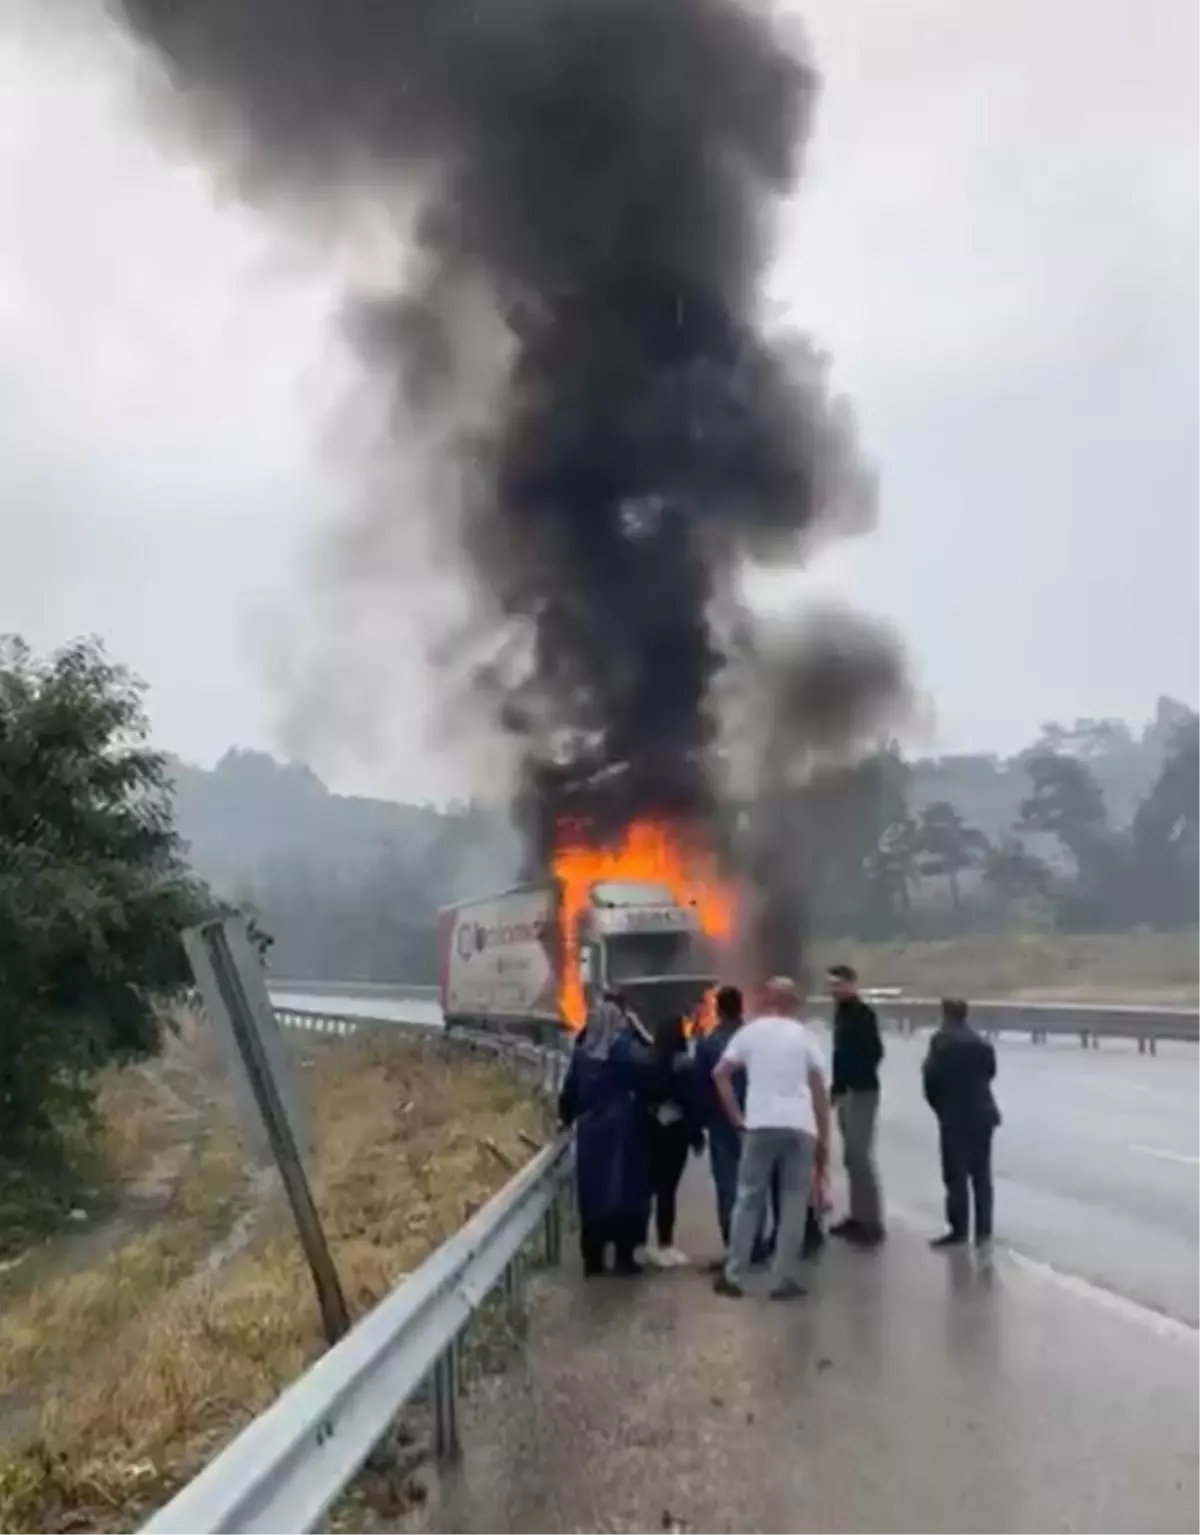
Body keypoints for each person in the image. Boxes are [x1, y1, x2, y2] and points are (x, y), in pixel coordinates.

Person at [711, 976, 831, 1301]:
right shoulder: (806, 1037)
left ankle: (734, 1274)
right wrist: (823, 1138)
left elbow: (720, 1074)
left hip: (760, 1124)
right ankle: (783, 1279)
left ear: (766, 999)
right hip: (800, 1127)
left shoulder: (750, 1032)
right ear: (793, 1003)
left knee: (749, 1197)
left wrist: (737, 1118)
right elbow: (819, 1090)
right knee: (793, 1201)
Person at [557, 997, 653, 1277]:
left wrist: (565, 1118)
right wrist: (640, 1031)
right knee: (626, 1192)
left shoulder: (583, 1052)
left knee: (593, 1193)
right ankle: (625, 1256)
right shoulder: (625, 1050)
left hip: (591, 1132)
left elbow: (570, 1093)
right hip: (624, 1128)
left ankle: (593, 1258)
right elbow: (651, 1068)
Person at [922, 997, 1001, 1250]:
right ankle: (984, 1231)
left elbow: (930, 1080)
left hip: (954, 1116)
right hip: (983, 1114)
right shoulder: (981, 1043)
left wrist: (940, 1108)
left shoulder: (941, 1042)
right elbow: (990, 1074)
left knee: (956, 1176)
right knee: (981, 1175)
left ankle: (959, 1230)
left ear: (945, 1014)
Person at [827, 963, 886, 1248]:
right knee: (850, 1156)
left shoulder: (862, 1015)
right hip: (846, 1091)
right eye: (831, 985)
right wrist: (837, 1088)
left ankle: (871, 1221)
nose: (833, 989)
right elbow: (839, 1055)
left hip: (862, 1090)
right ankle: (857, 1213)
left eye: (838, 984)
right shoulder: (841, 1014)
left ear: (851, 984)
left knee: (860, 1156)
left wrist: (855, 1078)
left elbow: (875, 1051)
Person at [644, 1014, 705, 1267]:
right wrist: (696, 1135)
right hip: (676, 1134)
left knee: (649, 1188)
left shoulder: (647, 1061)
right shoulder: (684, 1064)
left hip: (650, 1132)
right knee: (668, 1190)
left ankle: (640, 1242)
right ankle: (665, 1244)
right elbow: (693, 1102)